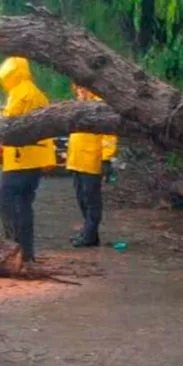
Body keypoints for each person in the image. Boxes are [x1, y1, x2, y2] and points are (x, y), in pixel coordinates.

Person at [0, 57, 57, 263]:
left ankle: (14, 248)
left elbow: (7, 123)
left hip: (21, 159)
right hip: (34, 159)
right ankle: (26, 253)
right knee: (24, 205)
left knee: (6, 203)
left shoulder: (20, 92)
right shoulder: (38, 94)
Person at [67, 83, 118, 247]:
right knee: (81, 198)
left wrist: (106, 158)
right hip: (77, 160)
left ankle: (90, 235)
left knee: (91, 200)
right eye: (78, 87)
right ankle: (89, 233)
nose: (80, 90)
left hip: (91, 159)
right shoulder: (78, 104)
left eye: (83, 87)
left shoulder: (100, 105)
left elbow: (109, 134)